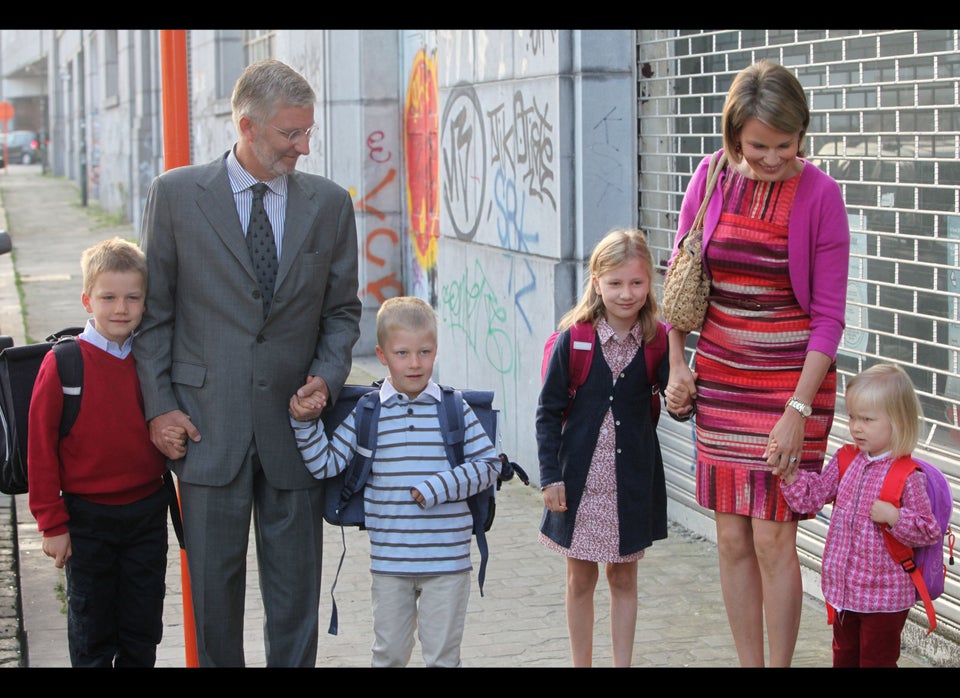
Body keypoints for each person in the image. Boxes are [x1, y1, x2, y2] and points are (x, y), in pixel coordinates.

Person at [134, 59, 362, 667]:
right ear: (246, 126)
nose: (304, 146)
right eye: (291, 134)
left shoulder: (331, 204)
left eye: (308, 132)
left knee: (295, 601)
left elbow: (342, 313)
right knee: (214, 598)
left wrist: (329, 375)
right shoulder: (176, 195)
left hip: (296, 430)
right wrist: (159, 408)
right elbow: (153, 317)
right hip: (206, 428)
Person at [663, 59, 851, 667]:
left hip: (791, 386)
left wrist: (798, 409)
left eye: (785, 145)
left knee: (774, 538)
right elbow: (680, 279)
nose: (771, 159)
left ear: (802, 134)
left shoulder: (821, 195)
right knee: (729, 537)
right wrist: (676, 363)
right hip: (720, 378)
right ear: (732, 137)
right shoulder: (710, 177)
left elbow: (829, 316)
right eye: (757, 146)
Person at [290, 296, 500, 667]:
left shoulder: (454, 407)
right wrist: (304, 423)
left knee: (443, 658)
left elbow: (489, 465)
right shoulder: (367, 411)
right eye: (402, 353)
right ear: (382, 355)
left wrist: (438, 488)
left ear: (436, 350)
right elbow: (325, 465)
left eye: (425, 351)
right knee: (388, 656)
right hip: (389, 564)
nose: (415, 363)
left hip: (448, 563)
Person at [27, 237, 183, 667]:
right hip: (86, 520)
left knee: (142, 625)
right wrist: (51, 523)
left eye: (133, 298)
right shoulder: (63, 363)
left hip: (146, 514)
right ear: (86, 300)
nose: (121, 308)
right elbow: (39, 451)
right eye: (108, 297)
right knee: (93, 628)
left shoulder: (152, 360)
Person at [536, 228, 673, 668]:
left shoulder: (657, 342)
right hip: (580, 481)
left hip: (631, 483)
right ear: (596, 282)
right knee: (580, 577)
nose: (626, 293)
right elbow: (547, 412)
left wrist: (686, 402)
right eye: (614, 283)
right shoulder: (574, 340)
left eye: (636, 282)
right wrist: (550, 477)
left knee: (624, 575)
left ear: (649, 282)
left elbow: (676, 398)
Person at [778, 363, 940, 667]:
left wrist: (894, 517)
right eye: (852, 417)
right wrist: (790, 476)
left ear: (898, 422)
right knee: (844, 658)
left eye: (867, 419)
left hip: (885, 599)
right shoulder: (846, 459)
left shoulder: (907, 475)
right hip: (844, 593)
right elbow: (813, 498)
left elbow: (928, 531)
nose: (856, 427)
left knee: (876, 662)